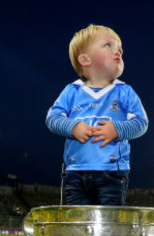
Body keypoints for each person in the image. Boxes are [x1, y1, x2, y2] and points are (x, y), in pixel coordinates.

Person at [46, 24, 148, 205]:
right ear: (85, 60)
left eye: (120, 49)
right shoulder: (72, 91)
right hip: (75, 172)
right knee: (78, 223)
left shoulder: (124, 91)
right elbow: (53, 118)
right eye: (108, 45)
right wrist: (73, 127)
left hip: (112, 173)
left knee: (109, 222)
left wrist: (117, 129)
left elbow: (141, 123)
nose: (117, 51)